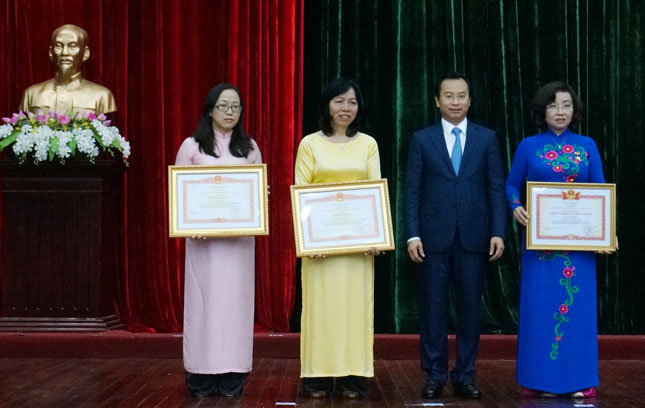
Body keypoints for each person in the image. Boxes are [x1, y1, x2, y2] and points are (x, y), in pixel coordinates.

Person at [405, 72, 507, 400]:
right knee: (433, 310)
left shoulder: (486, 138)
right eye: (448, 96)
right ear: (437, 100)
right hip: (433, 239)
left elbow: (495, 187)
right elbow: (412, 191)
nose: (455, 102)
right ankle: (435, 374)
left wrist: (498, 232)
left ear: (470, 100)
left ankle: (465, 373)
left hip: (475, 238)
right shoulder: (422, 139)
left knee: (469, 310)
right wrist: (412, 235)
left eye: (461, 96)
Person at [506, 81, 607, 399]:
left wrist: (607, 230)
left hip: (579, 247)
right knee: (540, 309)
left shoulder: (587, 145)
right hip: (540, 247)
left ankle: (580, 381)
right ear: (542, 111)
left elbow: (601, 192)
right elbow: (510, 186)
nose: (559, 111)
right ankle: (541, 381)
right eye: (552, 105)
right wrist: (516, 206)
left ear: (574, 110)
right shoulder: (528, 146)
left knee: (578, 311)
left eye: (565, 105)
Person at [294, 78, 381, 399]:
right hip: (320, 249)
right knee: (320, 310)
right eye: (339, 101)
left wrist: (378, 235)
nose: (346, 108)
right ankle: (316, 375)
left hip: (358, 248)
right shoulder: (309, 144)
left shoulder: (368, 144)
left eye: (352, 102)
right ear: (327, 105)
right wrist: (307, 240)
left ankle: (354, 375)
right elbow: (300, 193)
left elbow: (375, 191)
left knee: (355, 310)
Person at [175, 83, 261, 397]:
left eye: (235, 106)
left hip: (238, 244)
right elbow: (178, 196)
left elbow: (258, 193)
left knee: (235, 307)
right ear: (210, 109)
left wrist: (258, 200)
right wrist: (188, 224)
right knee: (203, 305)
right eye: (223, 106)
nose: (229, 112)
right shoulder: (191, 147)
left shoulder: (249, 147)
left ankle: (233, 377)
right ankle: (199, 375)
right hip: (204, 245)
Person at [20, 24, 117, 115]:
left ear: (85, 53)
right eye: (58, 46)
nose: (65, 53)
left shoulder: (102, 96)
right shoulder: (32, 94)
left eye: (72, 46)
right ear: (51, 52)